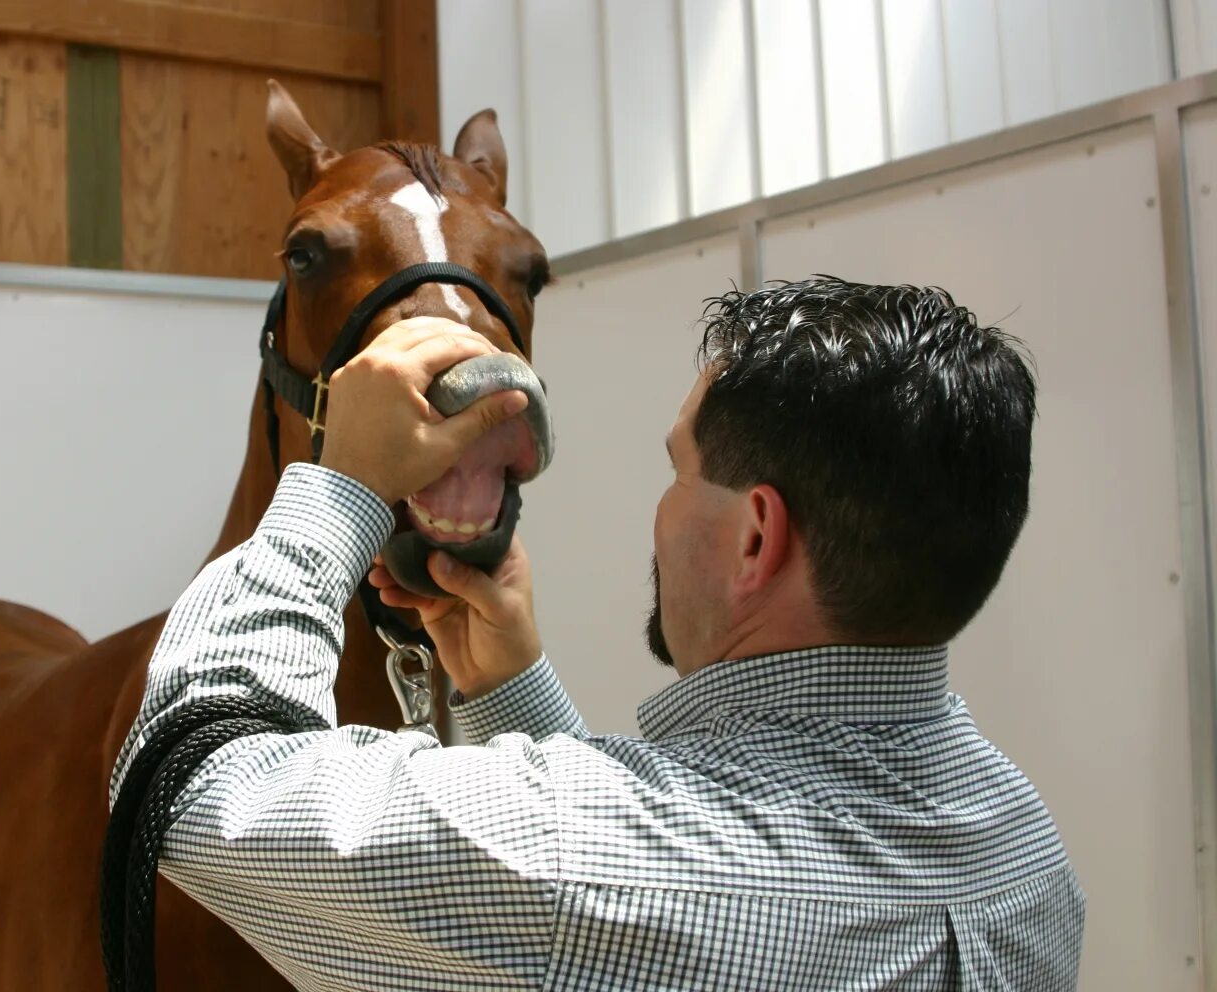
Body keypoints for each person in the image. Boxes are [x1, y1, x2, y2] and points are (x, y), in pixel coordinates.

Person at [111, 278, 1085, 990]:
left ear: (756, 536)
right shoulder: (1024, 850)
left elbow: (188, 787)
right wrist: (511, 690)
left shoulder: (618, 871)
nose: (659, 511)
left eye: (678, 471)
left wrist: (338, 490)